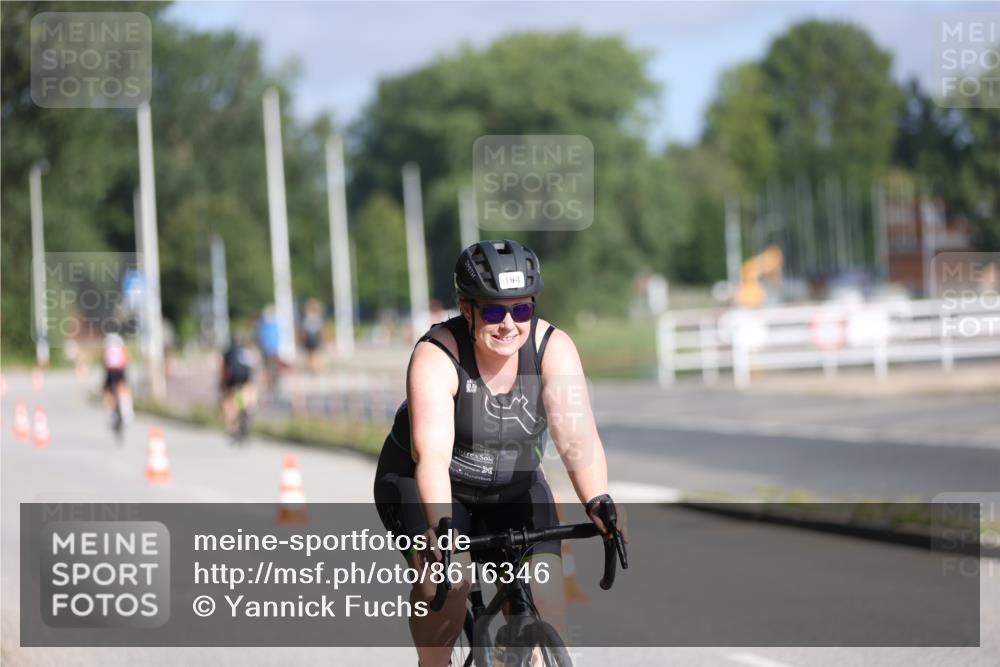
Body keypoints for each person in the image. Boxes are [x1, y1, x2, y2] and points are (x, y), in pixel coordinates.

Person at [373, 239, 625, 667]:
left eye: (521, 310)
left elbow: (575, 435)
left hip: (514, 485)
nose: (509, 323)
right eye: (494, 311)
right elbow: (431, 454)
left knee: (546, 596)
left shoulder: (552, 348)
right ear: (466, 308)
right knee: (446, 583)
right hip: (433, 485)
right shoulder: (437, 354)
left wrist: (597, 500)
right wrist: (441, 526)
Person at [220, 334, 256, 440]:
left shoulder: (228, 351)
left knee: (228, 400)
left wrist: (223, 384)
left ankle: (232, 426)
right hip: (246, 376)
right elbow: (251, 367)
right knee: (245, 393)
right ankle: (246, 408)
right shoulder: (246, 351)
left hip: (234, 377)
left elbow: (224, 369)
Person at [102, 332, 133, 425]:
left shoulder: (107, 345)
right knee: (124, 389)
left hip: (110, 372)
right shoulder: (120, 344)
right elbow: (127, 358)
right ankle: (127, 411)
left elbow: (104, 360)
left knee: (107, 392)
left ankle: (109, 413)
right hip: (120, 370)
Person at [256, 306, 281, 399]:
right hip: (268, 350)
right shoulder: (264, 325)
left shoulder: (267, 325)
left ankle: (272, 386)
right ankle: (270, 387)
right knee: (268, 369)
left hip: (272, 350)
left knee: (272, 369)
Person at [300, 298, 325, 373]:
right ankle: (314, 367)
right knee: (313, 353)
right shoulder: (317, 318)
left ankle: (313, 367)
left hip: (311, 337)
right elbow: (321, 330)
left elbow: (303, 330)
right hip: (313, 337)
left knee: (311, 353)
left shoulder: (308, 318)